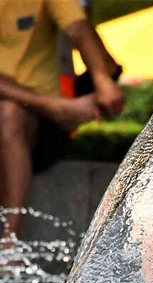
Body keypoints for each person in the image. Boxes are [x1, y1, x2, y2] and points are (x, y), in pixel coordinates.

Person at [0, 0, 124, 239]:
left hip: (38, 127)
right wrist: (55, 107)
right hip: (49, 109)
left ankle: (8, 245)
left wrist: (102, 80)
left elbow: (78, 28)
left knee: (8, 114)